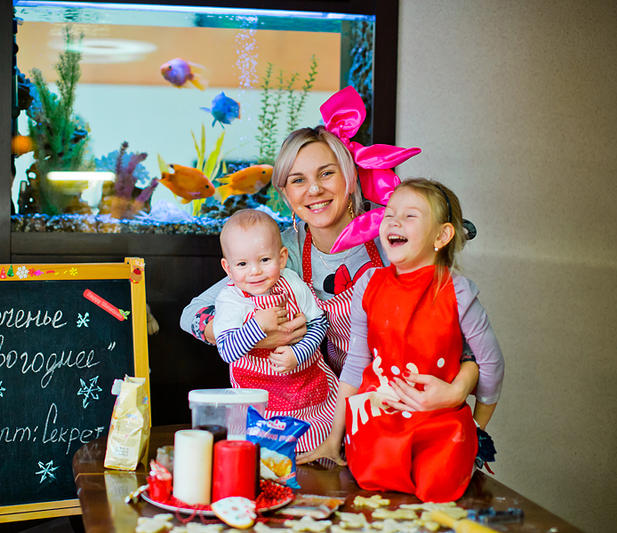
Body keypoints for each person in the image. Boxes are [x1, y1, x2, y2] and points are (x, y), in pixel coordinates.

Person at [181, 86, 482, 458]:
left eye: (326, 173)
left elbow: (465, 347)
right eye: (298, 180)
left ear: (349, 176)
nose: (314, 190)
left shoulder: (391, 239)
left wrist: (455, 392)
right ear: (286, 195)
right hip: (316, 418)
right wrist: (256, 336)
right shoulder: (279, 253)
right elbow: (192, 314)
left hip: (405, 415)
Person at [334, 178, 505, 502]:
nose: (394, 221)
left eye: (410, 215)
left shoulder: (457, 292)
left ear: (441, 236)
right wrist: (334, 437)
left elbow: (490, 362)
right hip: (377, 421)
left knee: (438, 486)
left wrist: (478, 428)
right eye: (389, 213)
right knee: (370, 482)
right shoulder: (367, 283)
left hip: (439, 424)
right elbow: (356, 362)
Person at [214, 209, 337, 452]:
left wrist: (298, 353)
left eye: (264, 260)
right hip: (260, 406)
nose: (255, 271)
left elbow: (319, 323)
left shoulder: (292, 282)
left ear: (281, 258)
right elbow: (227, 351)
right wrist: (258, 326)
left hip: (309, 396)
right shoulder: (230, 300)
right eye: (242, 264)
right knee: (265, 452)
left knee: (317, 446)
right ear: (228, 268)